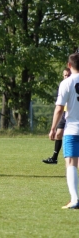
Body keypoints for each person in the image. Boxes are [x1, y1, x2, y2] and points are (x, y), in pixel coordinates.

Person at [49, 52, 79, 209]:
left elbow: (59, 108)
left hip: (72, 129)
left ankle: (74, 199)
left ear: (69, 65)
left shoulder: (66, 83)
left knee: (71, 163)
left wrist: (53, 128)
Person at [43, 68, 71, 164]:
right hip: (64, 113)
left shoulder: (73, 84)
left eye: (68, 75)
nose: (66, 77)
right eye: (65, 75)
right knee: (58, 134)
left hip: (72, 114)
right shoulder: (63, 85)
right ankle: (54, 158)